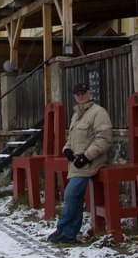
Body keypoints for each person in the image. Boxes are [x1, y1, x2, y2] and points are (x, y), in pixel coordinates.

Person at [47, 82, 112, 244]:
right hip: (77, 163)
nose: (81, 96)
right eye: (78, 94)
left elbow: (104, 139)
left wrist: (86, 156)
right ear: (74, 97)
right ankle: (67, 232)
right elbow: (71, 138)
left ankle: (64, 228)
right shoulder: (77, 115)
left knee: (70, 194)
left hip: (90, 162)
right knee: (73, 196)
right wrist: (67, 150)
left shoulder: (98, 112)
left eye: (84, 92)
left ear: (90, 93)